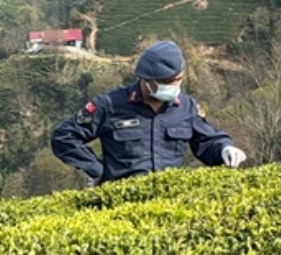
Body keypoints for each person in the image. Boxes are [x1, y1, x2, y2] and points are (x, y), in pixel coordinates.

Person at [52, 40, 247, 186]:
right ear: (147, 79)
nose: (174, 86)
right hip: (120, 203)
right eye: (167, 82)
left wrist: (224, 148)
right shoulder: (109, 105)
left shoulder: (186, 107)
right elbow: (64, 137)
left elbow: (207, 141)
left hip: (170, 201)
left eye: (178, 80)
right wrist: (97, 170)